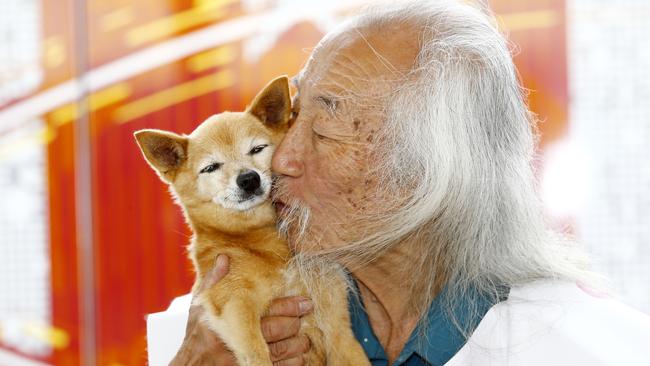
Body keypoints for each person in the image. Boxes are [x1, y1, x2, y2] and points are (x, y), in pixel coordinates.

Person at [156, 1, 650, 365]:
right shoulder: (211, 336)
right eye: (293, 118)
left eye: (323, 131)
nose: (280, 157)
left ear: (427, 175)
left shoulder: (595, 350)